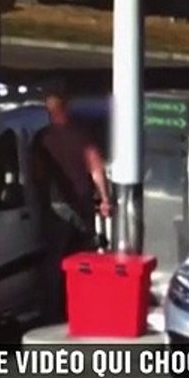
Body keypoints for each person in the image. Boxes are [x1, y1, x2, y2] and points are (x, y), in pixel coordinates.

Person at [31, 85, 112, 323]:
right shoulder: (82, 136)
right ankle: (80, 305)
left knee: (54, 260)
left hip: (55, 207)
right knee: (81, 260)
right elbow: (97, 168)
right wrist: (105, 199)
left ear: (49, 110)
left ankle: (53, 310)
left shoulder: (42, 139)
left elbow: (37, 175)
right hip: (82, 207)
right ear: (67, 107)